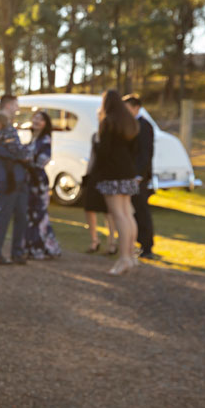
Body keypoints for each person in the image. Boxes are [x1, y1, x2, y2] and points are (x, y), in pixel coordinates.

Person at [92, 90, 140, 275]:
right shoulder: (130, 123)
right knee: (128, 214)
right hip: (128, 172)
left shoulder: (108, 122)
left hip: (112, 174)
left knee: (118, 215)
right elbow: (133, 150)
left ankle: (124, 258)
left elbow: (103, 152)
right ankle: (131, 256)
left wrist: (97, 139)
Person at [0, 94, 31, 265]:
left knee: (21, 215)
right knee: (4, 215)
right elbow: (9, 150)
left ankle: (16, 252)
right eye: (16, 105)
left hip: (16, 176)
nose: (17, 109)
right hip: (8, 177)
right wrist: (25, 155)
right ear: (9, 105)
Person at [24, 111, 61, 259]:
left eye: (41, 119)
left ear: (46, 124)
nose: (36, 121)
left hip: (38, 181)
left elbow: (43, 159)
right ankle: (31, 246)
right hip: (29, 181)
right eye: (35, 118)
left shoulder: (45, 140)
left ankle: (43, 248)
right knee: (30, 214)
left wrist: (28, 162)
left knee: (39, 214)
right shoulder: (33, 139)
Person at [123, 93, 156, 259]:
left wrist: (138, 174)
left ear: (136, 107)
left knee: (141, 210)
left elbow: (145, 153)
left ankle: (147, 246)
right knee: (132, 211)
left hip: (139, 177)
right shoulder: (131, 125)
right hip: (130, 175)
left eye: (127, 108)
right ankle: (135, 243)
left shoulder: (144, 126)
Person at [81, 131, 119, 254]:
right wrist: (87, 174)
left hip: (109, 175)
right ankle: (94, 241)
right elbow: (92, 156)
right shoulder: (96, 135)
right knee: (89, 208)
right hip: (95, 175)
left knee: (108, 210)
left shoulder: (116, 135)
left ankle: (112, 242)